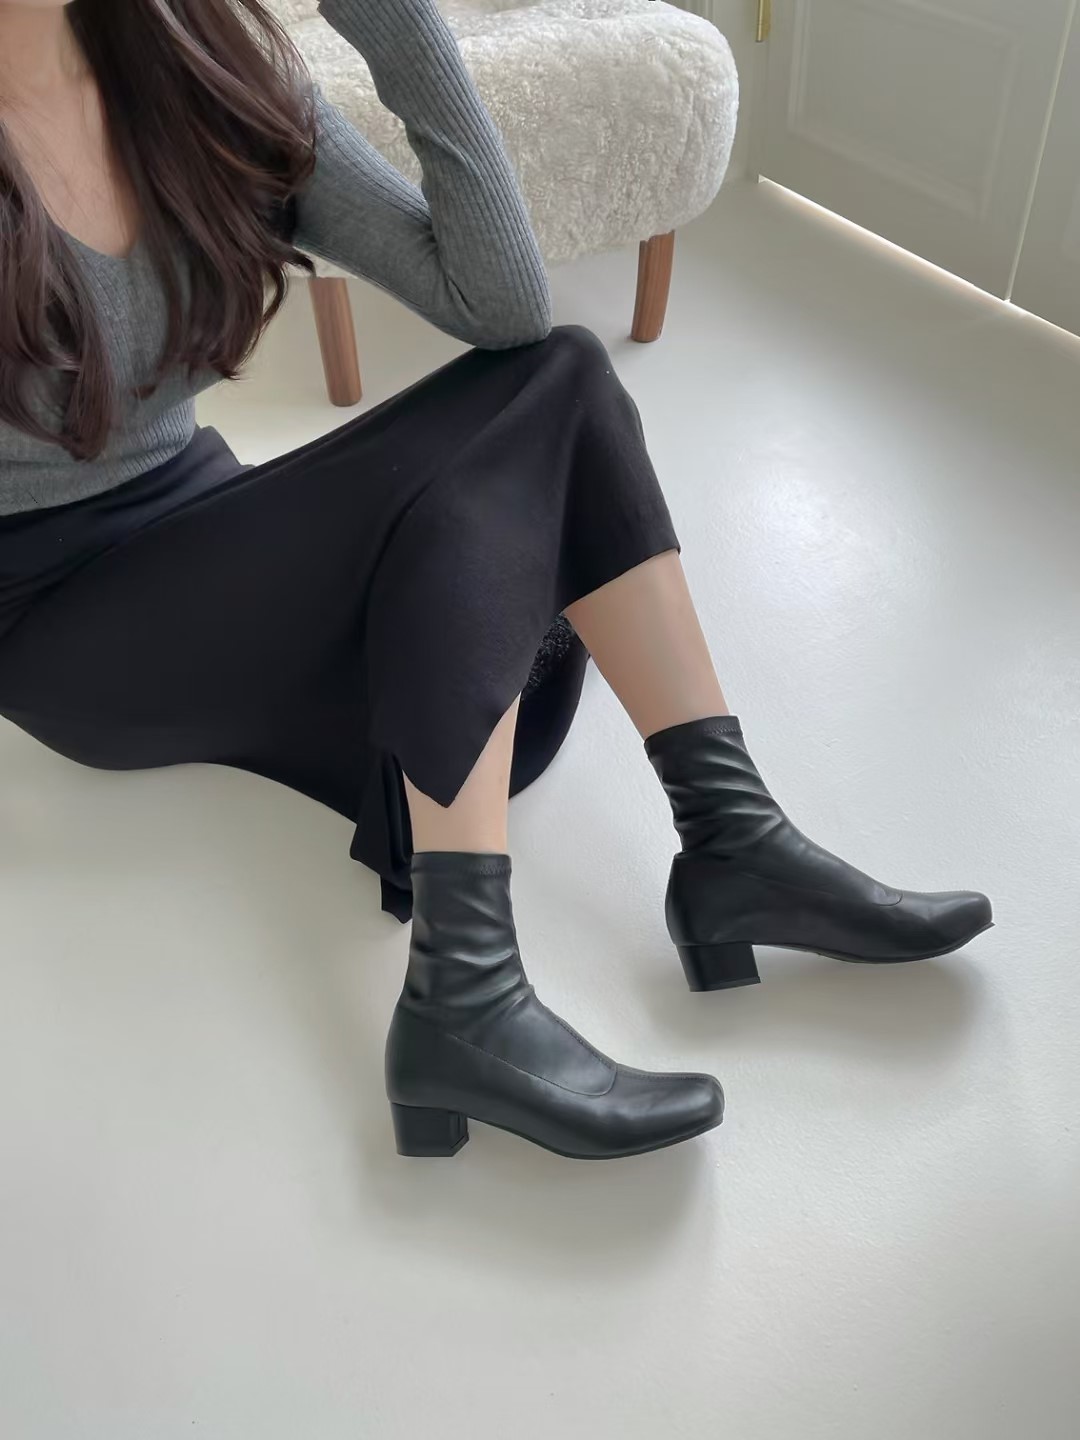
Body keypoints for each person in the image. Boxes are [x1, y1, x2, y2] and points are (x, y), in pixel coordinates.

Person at [0, 0, 991, 1163]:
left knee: (556, 376)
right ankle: (469, 992)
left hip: (206, 518)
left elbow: (499, 308)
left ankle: (729, 838)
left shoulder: (206, 75)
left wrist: (399, 30)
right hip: (60, 608)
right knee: (513, 443)